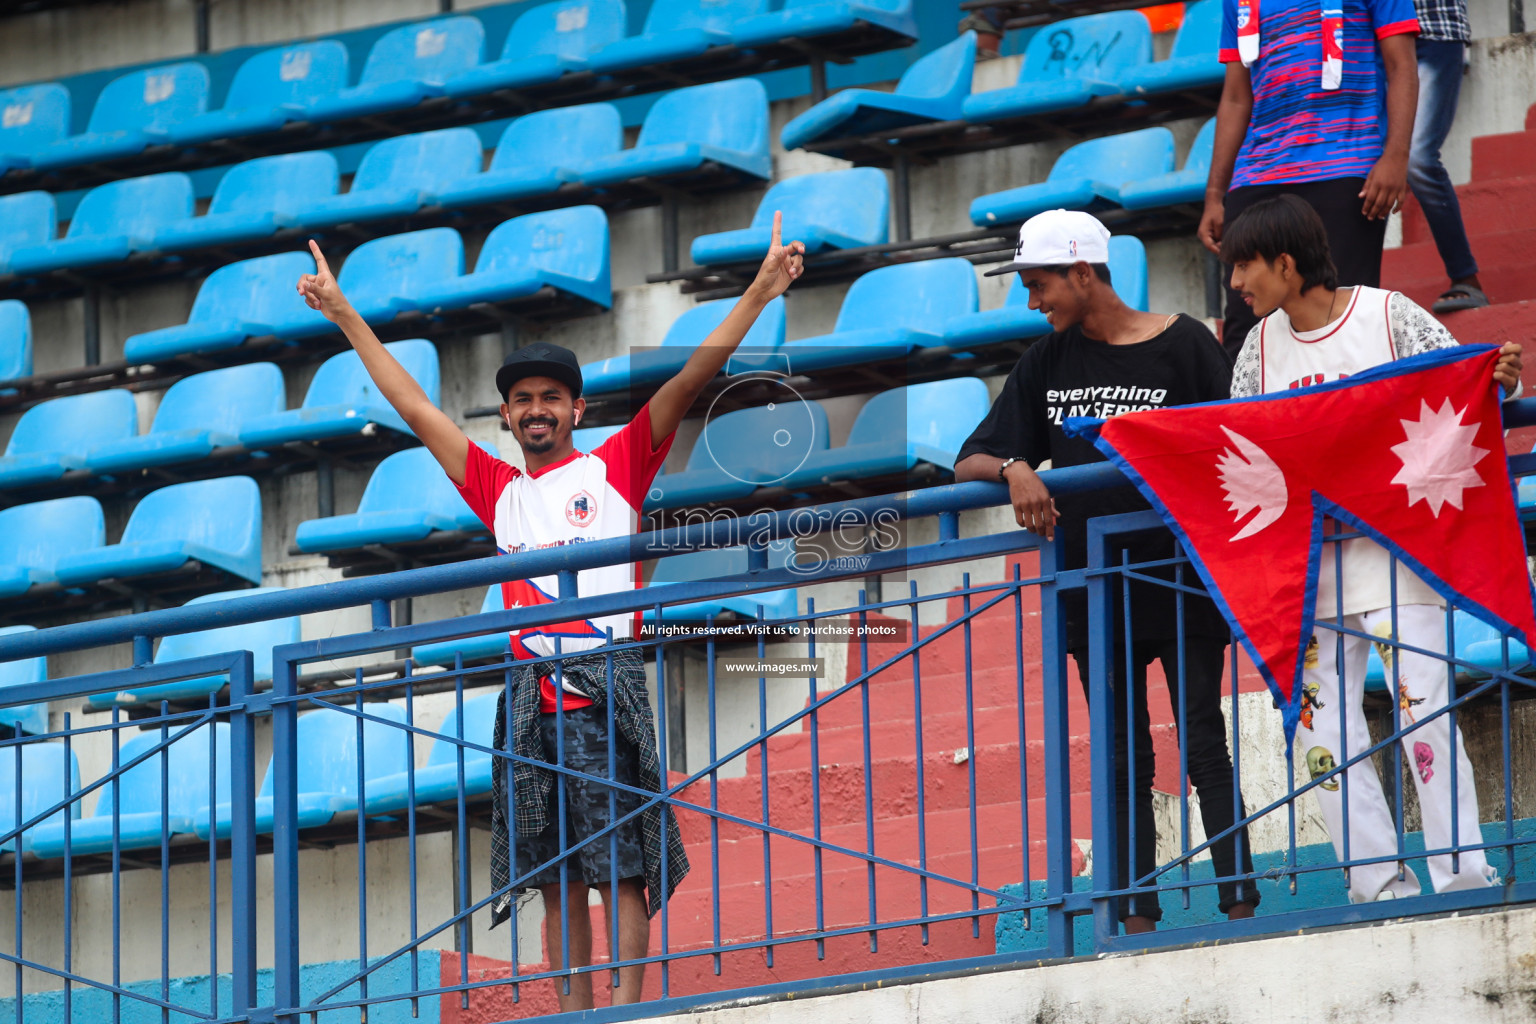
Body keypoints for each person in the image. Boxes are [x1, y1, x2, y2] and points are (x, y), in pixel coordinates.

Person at [294, 217, 805, 1010]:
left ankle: (626, 1004)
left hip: (604, 687)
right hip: (531, 698)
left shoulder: (617, 466)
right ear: (505, 416)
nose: (537, 411)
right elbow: (411, 402)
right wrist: (344, 315)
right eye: (522, 400)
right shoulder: (496, 489)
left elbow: (689, 380)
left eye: (551, 399)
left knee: (622, 868)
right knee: (559, 876)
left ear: (576, 408)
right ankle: (572, 1010)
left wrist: (760, 290)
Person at [955, 209, 1259, 933]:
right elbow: (970, 455)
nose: (1034, 302)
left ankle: (1242, 907)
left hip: (1179, 579)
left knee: (1203, 744)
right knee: (1124, 760)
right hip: (1094, 591)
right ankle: (1137, 922)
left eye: (1040, 284)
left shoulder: (1185, 344)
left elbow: (1241, 444)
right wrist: (1015, 466)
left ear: (1084, 272)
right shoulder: (1045, 362)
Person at [1222, 193, 1518, 901]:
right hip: (1307, 571)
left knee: (1426, 714)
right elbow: (1239, 448)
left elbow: (1459, 401)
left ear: (1287, 264)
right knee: (1321, 734)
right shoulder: (1256, 349)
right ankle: (1376, 884)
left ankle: (1463, 877)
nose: (1235, 283)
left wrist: (1498, 383)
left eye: (1244, 265)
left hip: (1397, 555)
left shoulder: (1389, 317)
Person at [1199, 0, 1421, 358]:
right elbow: (1238, 97)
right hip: (1256, 175)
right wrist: (1215, 194)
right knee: (1245, 333)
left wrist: (1396, 156)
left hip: (1345, 166)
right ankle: (1250, 415)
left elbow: (1402, 65)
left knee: (1343, 318)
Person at [1409, 0, 1486, 312]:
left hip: (1433, 31)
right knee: (1362, 165)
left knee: (1417, 158)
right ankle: (1358, 288)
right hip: (1371, 41)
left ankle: (1465, 277)